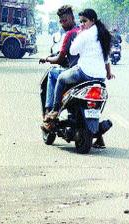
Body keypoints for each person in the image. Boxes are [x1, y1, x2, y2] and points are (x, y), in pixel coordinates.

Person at [43, 8, 114, 147]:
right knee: (96, 102)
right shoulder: (103, 34)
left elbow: (71, 51)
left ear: (92, 20)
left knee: (61, 78)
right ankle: (97, 135)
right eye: (81, 21)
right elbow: (106, 58)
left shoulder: (80, 34)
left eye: (84, 21)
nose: (82, 24)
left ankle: (55, 110)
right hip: (99, 78)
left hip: (84, 73)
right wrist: (108, 73)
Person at [39, 5, 79, 117]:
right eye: (61, 21)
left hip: (76, 71)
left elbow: (60, 58)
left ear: (72, 18)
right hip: (92, 74)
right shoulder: (85, 31)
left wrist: (47, 59)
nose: (63, 24)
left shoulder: (70, 34)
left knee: (52, 73)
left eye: (65, 20)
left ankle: (50, 111)